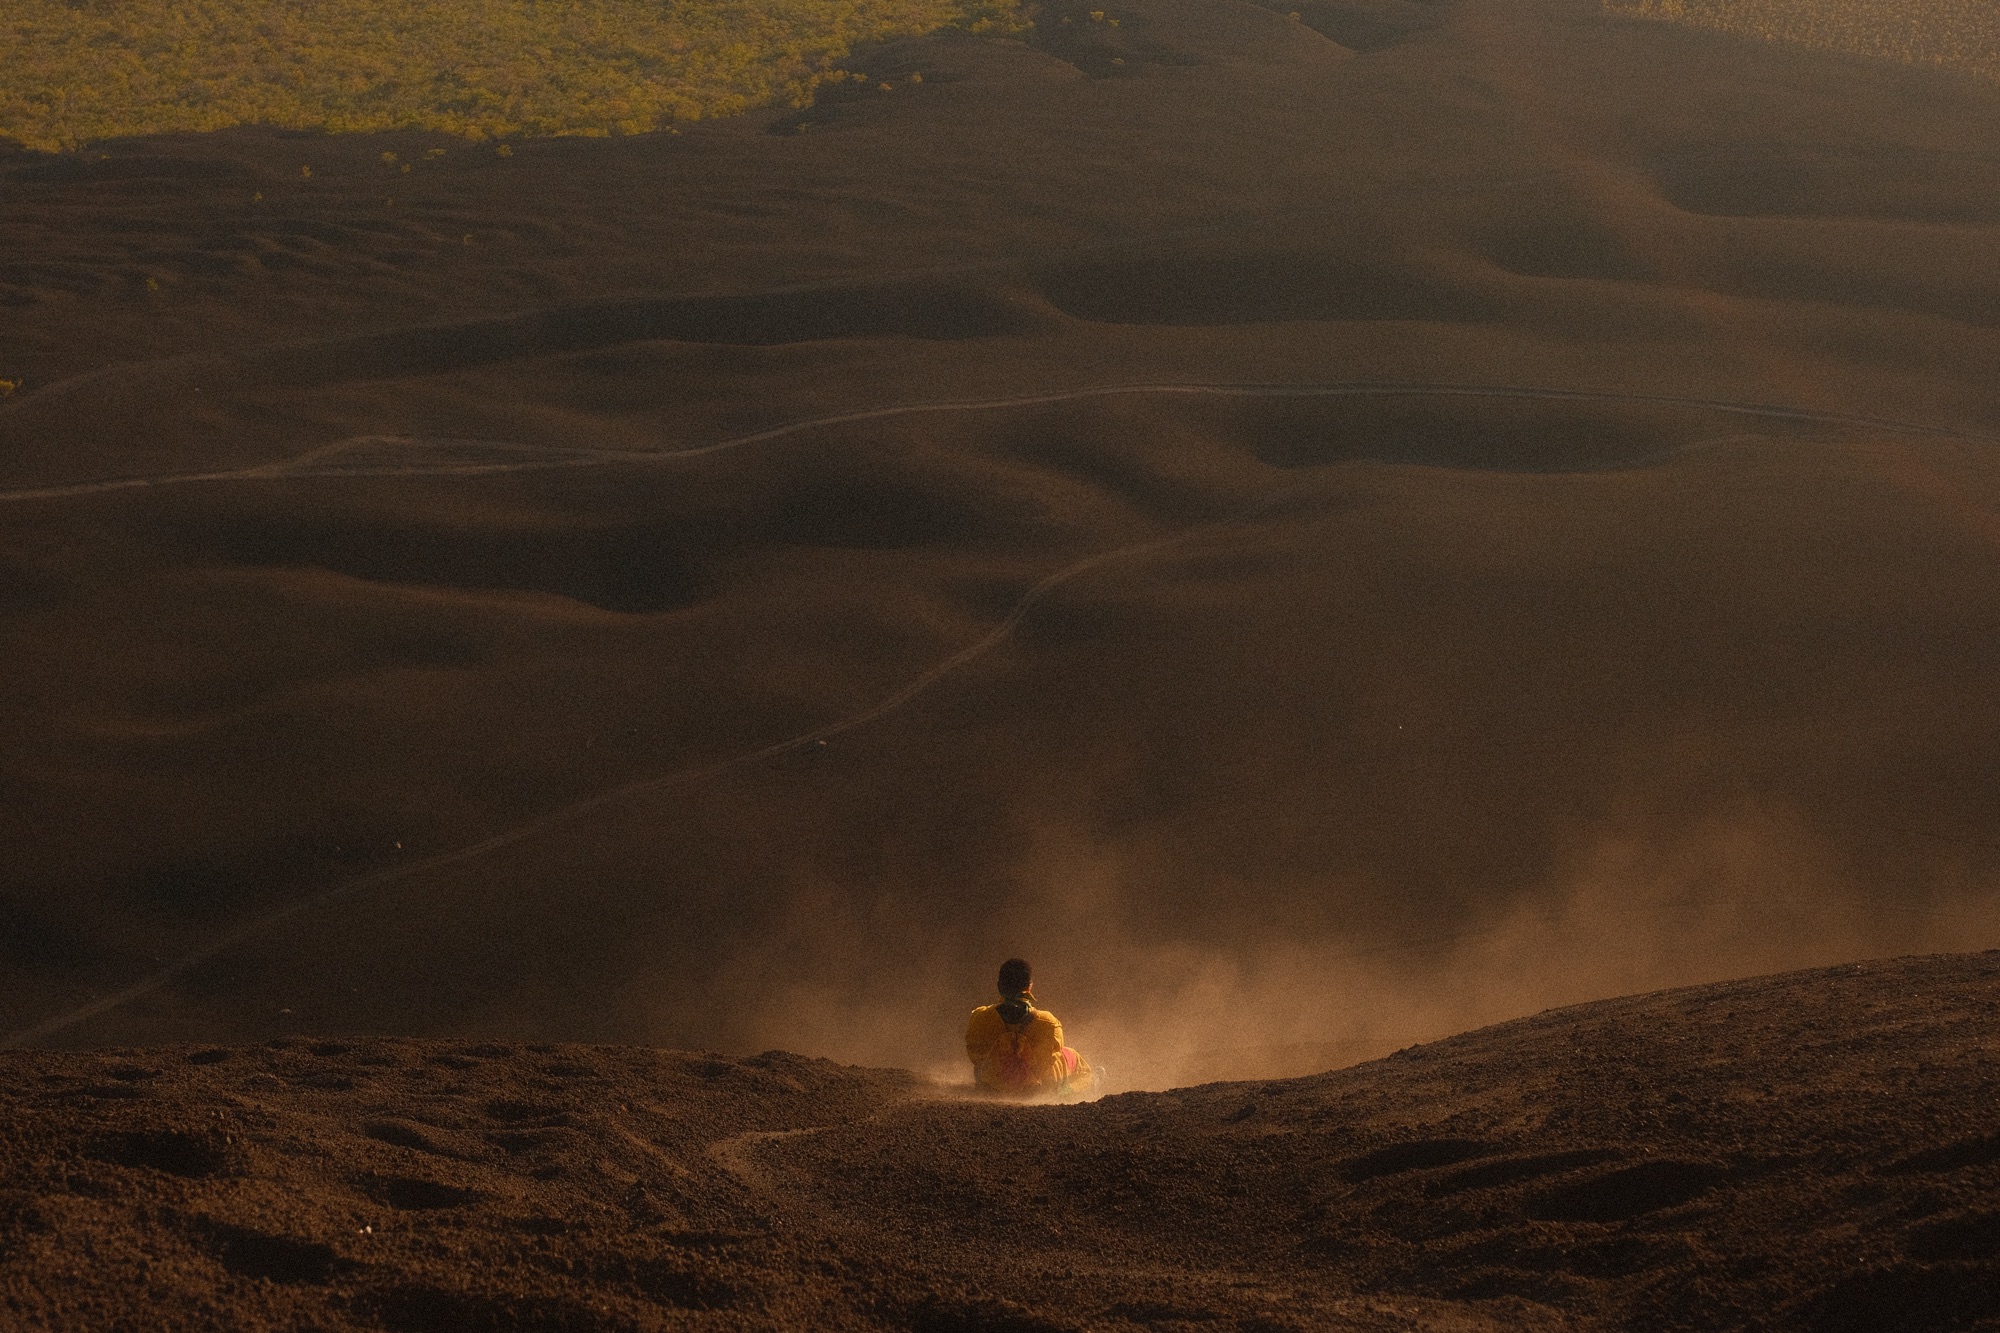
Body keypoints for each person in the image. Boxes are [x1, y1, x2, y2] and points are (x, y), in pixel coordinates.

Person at [964, 957, 1094, 1096]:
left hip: (992, 1086)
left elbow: (975, 1056)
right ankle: (1079, 1086)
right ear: (1029, 987)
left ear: (999, 986)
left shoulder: (979, 1018)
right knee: (1069, 1055)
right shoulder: (1048, 1022)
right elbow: (1050, 1058)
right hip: (1036, 1089)